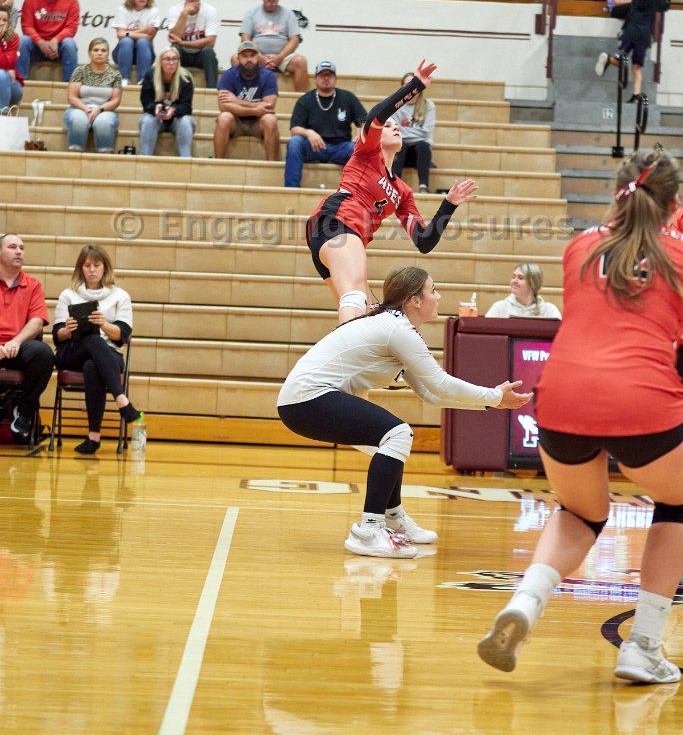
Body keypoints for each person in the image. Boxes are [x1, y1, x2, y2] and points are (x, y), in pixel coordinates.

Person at [477, 148, 683, 684]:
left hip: (561, 395)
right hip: (639, 396)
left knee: (581, 512)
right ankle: (643, 645)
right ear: (673, 203)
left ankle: (525, 601)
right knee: (679, 503)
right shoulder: (678, 255)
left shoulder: (579, 248)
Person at [278, 266, 531, 558]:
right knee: (397, 434)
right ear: (414, 300)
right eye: (433, 290)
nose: (439, 296)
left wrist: (491, 402)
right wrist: (494, 396)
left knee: (393, 440)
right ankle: (369, 531)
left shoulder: (398, 328)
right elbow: (440, 383)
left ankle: (393, 518)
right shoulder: (397, 329)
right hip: (307, 399)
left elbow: (430, 393)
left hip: (302, 401)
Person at [306, 61, 477, 324]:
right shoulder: (365, 152)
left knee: (364, 314)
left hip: (342, 237)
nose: (395, 127)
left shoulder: (402, 192)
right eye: (388, 126)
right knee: (356, 298)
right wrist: (414, 86)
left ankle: (349, 351)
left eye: (397, 126)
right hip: (336, 222)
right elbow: (377, 114)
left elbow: (424, 242)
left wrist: (449, 204)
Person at [52, 244, 140, 455]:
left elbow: (123, 335)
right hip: (72, 352)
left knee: (93, 366)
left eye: (96, 265)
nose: (91, 269)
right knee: (92, 339)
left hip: (108, 354)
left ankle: (93, 438)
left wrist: (104, 325)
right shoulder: (68, 295)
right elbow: (56, 335)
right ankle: (122, 400)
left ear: (105, 267)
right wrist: (67, 330)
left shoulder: (120, 296)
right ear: (80, 268)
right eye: (87, 265)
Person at [0, 234, 55, 439]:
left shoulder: (33, 285)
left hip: (17, 347)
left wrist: (16, 341)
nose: (19, 251)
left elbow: (37, 321)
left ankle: (24, 411)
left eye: (21, 248)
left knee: (43, 353)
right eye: (12, 247)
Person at [284, 60, 366, 188]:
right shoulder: (305, 100)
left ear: (335, 78)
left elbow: (366, 121)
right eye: (322, 75)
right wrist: (308, 132)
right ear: (315, 78)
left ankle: (358, 191)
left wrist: (362, 135)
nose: (326, 78)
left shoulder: (348, 97)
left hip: (341, 147)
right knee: (295, 142)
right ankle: (291, 189)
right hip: (314, 147)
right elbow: (294, 129)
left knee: (359, 147)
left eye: (330, 75)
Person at [596, 0, 671, 101]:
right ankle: (636, 95)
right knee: (637, 66)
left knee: (621, 61)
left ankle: (610, 60)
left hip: (630, 31)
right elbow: (666, 6)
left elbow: (625, 7)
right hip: (643, 34)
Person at [214, 40, 279, 161]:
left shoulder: (268, 76)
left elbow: (268, 106)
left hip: (259, 122)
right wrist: (255, 109)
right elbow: (223, 106)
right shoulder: (228, 75)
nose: (249, 60)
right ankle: (219, 163)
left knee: (270, 120)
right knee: (224, 117)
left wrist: (237, 101)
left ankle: (272, 165)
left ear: (258, 57)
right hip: (236, 121)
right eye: (244, 56)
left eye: (252, 56)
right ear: (238, 58)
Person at [239, 0, 308, 92]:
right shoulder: (251, 13)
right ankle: (242, 95)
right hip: (256, 56)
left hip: (283, 57)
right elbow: (245, 38)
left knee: (301, 61)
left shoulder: (289, 14)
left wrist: (280, 57)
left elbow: (295, 39)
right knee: (236, 59)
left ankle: (303, 99)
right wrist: (259, 56)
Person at [18, 0, 79, 82]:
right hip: (37, 46)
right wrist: (41, 43)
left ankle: (70, 85)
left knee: (70, 43)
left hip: (58, 48)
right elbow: (27, 26)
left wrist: (55, 41)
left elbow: (71, 28)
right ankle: (20, 83)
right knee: (23, 41)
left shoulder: (72, 1)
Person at [64, 37, 122, 153]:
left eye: (103, 50)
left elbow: (116, 101)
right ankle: (74, 156)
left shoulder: (115, 75)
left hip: (105, 110)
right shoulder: (79, 71)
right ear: (89, 53)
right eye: (96, 50)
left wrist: (99, 109)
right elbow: (72, 97)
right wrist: (87, 109)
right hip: (79, 108)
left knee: (104, 123)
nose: (99, 53)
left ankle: (104, 157)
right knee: (79, 121)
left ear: (107, 54)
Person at [139, 49, 196, 157]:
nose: (171, 62)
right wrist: (155, 108)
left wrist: (173, 111)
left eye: (174, 59)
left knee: (185, 121)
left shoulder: (185, 78)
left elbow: (187, 107)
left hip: (177, 119)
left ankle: (186, 159)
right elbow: (146, 102)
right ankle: (144, 157)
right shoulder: (150, 75)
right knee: (148, 120)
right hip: (156, 118)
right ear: (160, 61)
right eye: (167, 59)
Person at [167, 0, 219, 88]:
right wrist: (184, 14)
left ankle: (212, 90)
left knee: (208, 51)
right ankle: (169, 88)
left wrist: (182, 42)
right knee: (174, 49)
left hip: (200, 55)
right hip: (182, 54)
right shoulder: (175, 10)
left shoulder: (210, 10)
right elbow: (173, 37)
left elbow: (210, 42)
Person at [391, 71, 436, 194]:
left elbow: (427, 132)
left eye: (413, 84)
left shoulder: (428, 106)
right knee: (401, 145)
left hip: (419, 156)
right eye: (407, 85)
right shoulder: (395, 106)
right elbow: (394, 132)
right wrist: (417, 132)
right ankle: (394, 187)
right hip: (400, 153)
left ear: (419, 88)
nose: (410, 88)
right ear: (402, 88)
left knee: (423, 145)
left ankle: (423, 186)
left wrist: (403, 131)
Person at [112, 0, 160, 86]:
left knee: (143, 42)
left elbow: (149, 37)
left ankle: (143, 80)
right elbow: (120, 35)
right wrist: (144, 30)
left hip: (145, 53)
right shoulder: (122, 10)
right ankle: (124, 78)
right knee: (126, 42)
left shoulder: (154, 11)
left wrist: (127, 32)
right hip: (122, 53)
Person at [485, 263, 562, 319]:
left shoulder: (549, 310)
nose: (514, 281)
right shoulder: (499, 308)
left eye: (520, 278)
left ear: (533, 283)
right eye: (513, 277)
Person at [0, 6, 24, 110]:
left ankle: (2, 114)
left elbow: (6, 62)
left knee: (2, 75)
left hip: (11, 85)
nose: (1, 23)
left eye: (5, 20)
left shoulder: (13, 38)